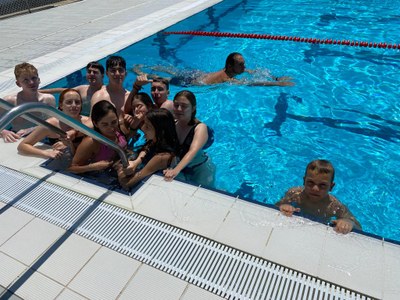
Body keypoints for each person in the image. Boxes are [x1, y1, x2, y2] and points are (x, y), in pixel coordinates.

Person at [275, 159, 361, 234]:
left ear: (331, 187)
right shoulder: (294, 194)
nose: (315, 188)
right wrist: (283, 206)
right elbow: (275, 206)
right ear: (304, 181)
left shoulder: (334, 205)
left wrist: (347, 222)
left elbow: (357, 226)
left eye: (322, 185)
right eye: (310, 183)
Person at [17, 89, 91, 169]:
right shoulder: (51, 125)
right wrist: (46, 153)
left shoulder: (87, 122)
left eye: (77, 102)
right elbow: (22, 146)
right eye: (69, 102)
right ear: (61, 105)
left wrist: (68, 143)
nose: (74, 105)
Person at [132, 52, 294, 87]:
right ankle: (141, 73)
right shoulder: (227, 78)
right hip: (194, 82)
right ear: (230, 66)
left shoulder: (232, 70)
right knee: (163, 80)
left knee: (171, 70)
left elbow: (251, 73)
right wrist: (277, 85)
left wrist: (275, 78)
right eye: (241, 65)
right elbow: (252, 84)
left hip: (198, 73)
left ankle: (149, 67)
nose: (245, 67)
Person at [163, 90, 216, 187]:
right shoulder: (173, 124)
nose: (179, 109)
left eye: (184, 106)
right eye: (176, 105)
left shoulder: (200, 128)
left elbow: (193, 151)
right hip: (182, 168)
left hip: (201, 170)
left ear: (193, 108)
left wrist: (176, 170)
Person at [117, 109, 179, 190]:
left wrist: (120, 172)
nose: (143, 128)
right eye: (144, 123)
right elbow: (145, 151)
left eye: (148, 127)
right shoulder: (154, 142)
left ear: (160, 131)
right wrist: (135, 163)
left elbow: (128, 183)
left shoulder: (161, 157)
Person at [1, 62, 56, 143]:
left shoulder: (48, 99)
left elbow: (53, 123)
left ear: (39, 80)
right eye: (25, 80)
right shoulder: (10, 101)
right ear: (18, 84)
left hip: (43, 139)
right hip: (18, 138)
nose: (31, 83)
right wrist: (3, 132)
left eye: (34, 78)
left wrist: (32, 129)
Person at [68, 100, 127, 174]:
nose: (111, 128)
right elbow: (71, 169)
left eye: (114, 122)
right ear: (96, 124)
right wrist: (93, 167)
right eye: (105, 125)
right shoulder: (91, 142)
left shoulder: (119, 129)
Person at [40, 61, 105, 116]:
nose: (91, 74)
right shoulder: (82, 89)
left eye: (95, 72)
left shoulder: (106, 92)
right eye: (89, 72)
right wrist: (38, 91)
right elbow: (60, 90)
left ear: (102, 75)